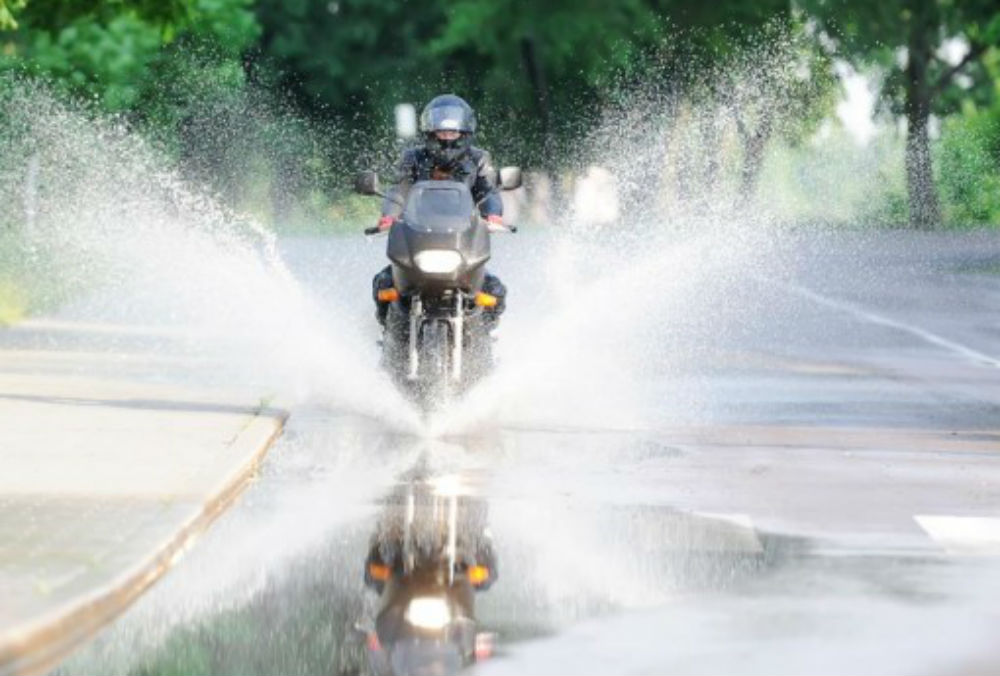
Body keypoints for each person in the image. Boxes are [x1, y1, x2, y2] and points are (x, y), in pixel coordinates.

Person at [372, 94, 507, 329]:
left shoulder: (479, 159)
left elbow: (489, 191)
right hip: (418, 236)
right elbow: (398, 190)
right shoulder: (412, 158)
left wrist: (493, 215)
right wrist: (389, 216)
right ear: (430, 133)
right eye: (441, 133)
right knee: (384, 284)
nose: (446, 139)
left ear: (464, 133)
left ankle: (482, 339)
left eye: (452, 133)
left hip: (462, 238)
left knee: (494, 291)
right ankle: (390, 337)